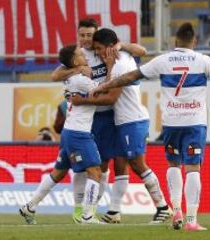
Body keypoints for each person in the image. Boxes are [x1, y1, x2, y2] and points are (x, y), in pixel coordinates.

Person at [91, 23, 210, 231]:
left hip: (171, 124)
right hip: (194, 123)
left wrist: (104, 85)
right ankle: (191, 220)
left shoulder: (163, 60)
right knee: (192, 168)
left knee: (173, 165)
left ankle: (176, 209)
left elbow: (130, 76)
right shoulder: (204, 61)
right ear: (194, 41)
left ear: (175, 41)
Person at [50, 19, 147, 223]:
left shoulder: (106, 50)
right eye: (81, 35)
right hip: (89, 117)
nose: (85, 39)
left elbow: (141, 50)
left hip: (111, 114)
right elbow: (55, 75)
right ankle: (81, 211)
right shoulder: (78, 55)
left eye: (88, 35)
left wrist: (122, 45)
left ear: (95, 36)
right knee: (86, 166)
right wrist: (75, 70)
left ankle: (112, 210)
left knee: (114, 164)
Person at [72, 28, 172, 224]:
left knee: (137, 163)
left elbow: (110, 96)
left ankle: (163, 207)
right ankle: (114, 212)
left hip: (132, 120)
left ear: (110, 47)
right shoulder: (122, 56)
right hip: (125, 120)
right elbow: (138, 51)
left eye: (100, 49)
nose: (99, 53)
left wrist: (82, 100)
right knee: (121, 164)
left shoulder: (119, 65)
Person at [20, 44, 104, 224]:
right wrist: (111, 68)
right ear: (75, 61)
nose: (85, 57)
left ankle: (30, 207)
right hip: (79, 133)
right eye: (81, 55)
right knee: (96, 171)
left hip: (69, 132)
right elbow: (105, 89)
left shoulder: (71, 78)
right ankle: (88, 216)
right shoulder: (80, 80)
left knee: (57, 173)